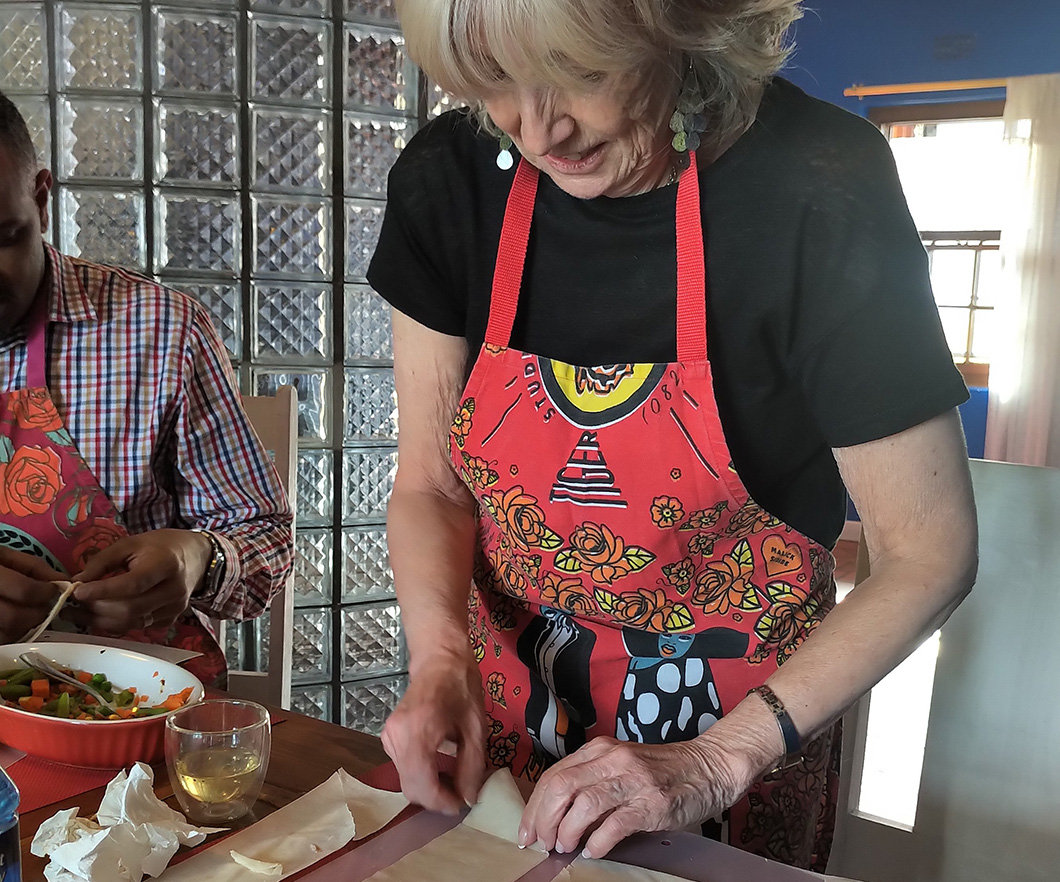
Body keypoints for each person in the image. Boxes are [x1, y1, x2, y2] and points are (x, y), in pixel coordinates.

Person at [369, 0, 978, 871]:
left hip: (733, 757)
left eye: (581, 70)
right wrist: (438, 662)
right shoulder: (450, 179)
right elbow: (432, 485)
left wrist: (710, 763)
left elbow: (931, 550)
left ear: (681, 25)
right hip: (501, 749)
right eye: (497, 80)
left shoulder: (816, 183)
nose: (541, 127)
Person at [0, 91, 293, 686]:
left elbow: (268, 536)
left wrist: (198, 558)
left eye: (3, 236)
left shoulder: (159, 331)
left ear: (40, 197)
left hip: (135, 714)